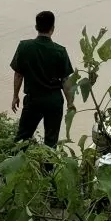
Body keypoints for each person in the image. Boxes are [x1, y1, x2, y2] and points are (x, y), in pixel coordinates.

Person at [11, 10, 75, 147]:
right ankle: (48, 168)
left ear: (36, 27)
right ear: (53, 29)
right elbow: (65, 80)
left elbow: (18, 74)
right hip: (54, 101)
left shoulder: (24, 46)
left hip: (33, 100)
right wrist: (70, 102)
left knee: (22, 138)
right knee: (50, 142)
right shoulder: (60, 51)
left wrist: (15, 96)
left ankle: (17, 165)